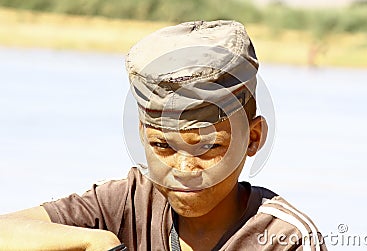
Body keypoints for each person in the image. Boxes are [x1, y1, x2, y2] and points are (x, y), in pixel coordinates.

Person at [0, 20, 327, 251]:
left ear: (253, 139)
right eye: (161, 146)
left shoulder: (286, 237)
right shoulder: (127, 203)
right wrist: (94, 241)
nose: (184, 170)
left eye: (209, 147)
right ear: (143, 136)